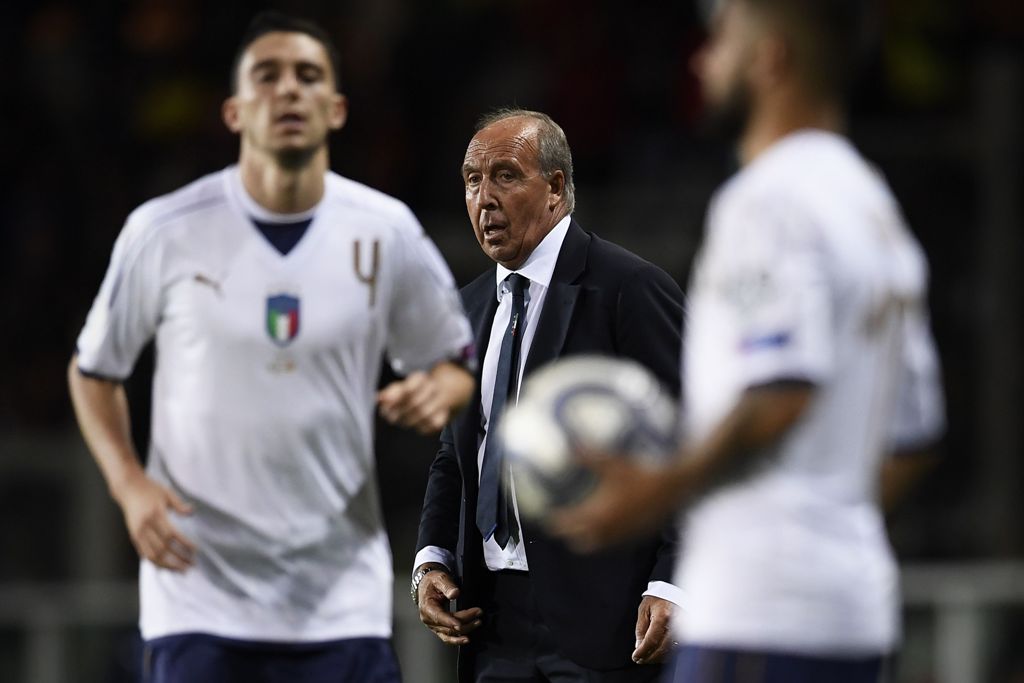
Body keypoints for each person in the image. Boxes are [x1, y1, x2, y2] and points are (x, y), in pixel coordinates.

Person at [67, 11, 474, 683]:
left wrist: (443, 390)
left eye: (308, 76)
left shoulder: (384, 230)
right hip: (198, 597)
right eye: (267, 76)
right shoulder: (164, 231)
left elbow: (455, 359)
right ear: (233, 111)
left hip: (340, 598)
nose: (288, 90)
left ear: (337, 108)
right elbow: (94, 370)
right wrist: (128, 484)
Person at [549, 1, 946, 681]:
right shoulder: (874, 208)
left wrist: (657, 490)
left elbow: (779, 391)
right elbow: (913, 435)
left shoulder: (768, 200)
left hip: (761, 614)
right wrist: (824, 528)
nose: (703, 59)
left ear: (771, 58)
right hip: (853, 610)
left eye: (721, 38)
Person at [412, 109, 686, 683]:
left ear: (556, 187)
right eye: (471, 180)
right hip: (490, 622)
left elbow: (684, 442)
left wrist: (672, 579)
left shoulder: (627, 289)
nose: (483, 198)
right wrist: (432, 557)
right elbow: (454, 455)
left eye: (505, 176)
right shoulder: (463, 310)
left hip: (607, 621)